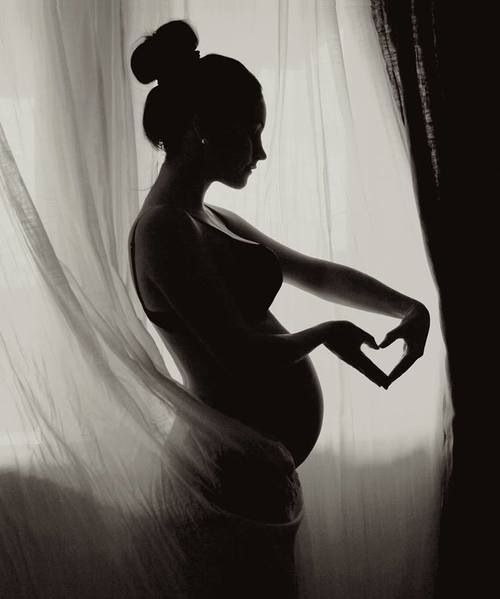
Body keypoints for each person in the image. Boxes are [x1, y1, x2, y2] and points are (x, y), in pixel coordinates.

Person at [128, 19, 430, 598]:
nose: (262, 152)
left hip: (252, 474)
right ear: (201, 129)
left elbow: (313, 271)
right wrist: (324, 334)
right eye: (252, 131)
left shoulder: (203, 217)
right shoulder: (165, 228)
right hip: (222, 481)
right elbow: (239, 354)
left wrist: (405, 307)